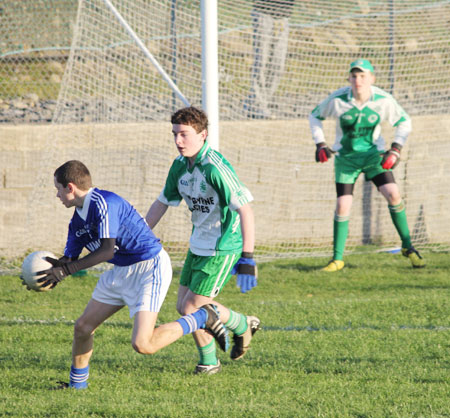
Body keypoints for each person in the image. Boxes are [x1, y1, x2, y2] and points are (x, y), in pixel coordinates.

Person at [29, 160, 229, 389]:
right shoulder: (76, 222)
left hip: (149, 268)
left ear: (70, 187)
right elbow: (69, 260)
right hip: (121, 271)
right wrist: (48, 273)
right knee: (83, 327)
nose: (57, 195)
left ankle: (202, 317)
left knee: (144, 345)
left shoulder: (104, 202)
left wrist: (65, 271)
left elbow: (105, 250)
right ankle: (77, 386)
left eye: (58, 189)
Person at [145, 106, 260, 375]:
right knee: (183, 305)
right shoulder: (179, 167)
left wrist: (248, 256)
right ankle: (239, 328)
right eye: (174, 134)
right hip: (197, 243)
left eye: (184, 134)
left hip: (223, 246)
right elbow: (161, 203)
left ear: (203, 134)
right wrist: (139, 234)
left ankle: (213, 358)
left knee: (192, 306)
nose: (178, 140)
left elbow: (246, 210)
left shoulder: (215, 167)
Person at [309, 58, 425, 272]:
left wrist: (396, 148)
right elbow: (315, 116)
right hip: (347, 159)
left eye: (363, 76)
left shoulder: (383, 100)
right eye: (354, 76)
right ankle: (337, 259)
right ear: (349, 79)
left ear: (371, 78)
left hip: (373, 156)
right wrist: (320, 144)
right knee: (343, 206)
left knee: (393, 194)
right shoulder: (338, 100)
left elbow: (404, 122)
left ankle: (408, 247)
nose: (358, 80)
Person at [244, 0, 295, 119]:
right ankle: (258, 105)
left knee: (278, 64)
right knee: (261, 61)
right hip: (263, 12)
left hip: (283, 16)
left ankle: (260, 102)